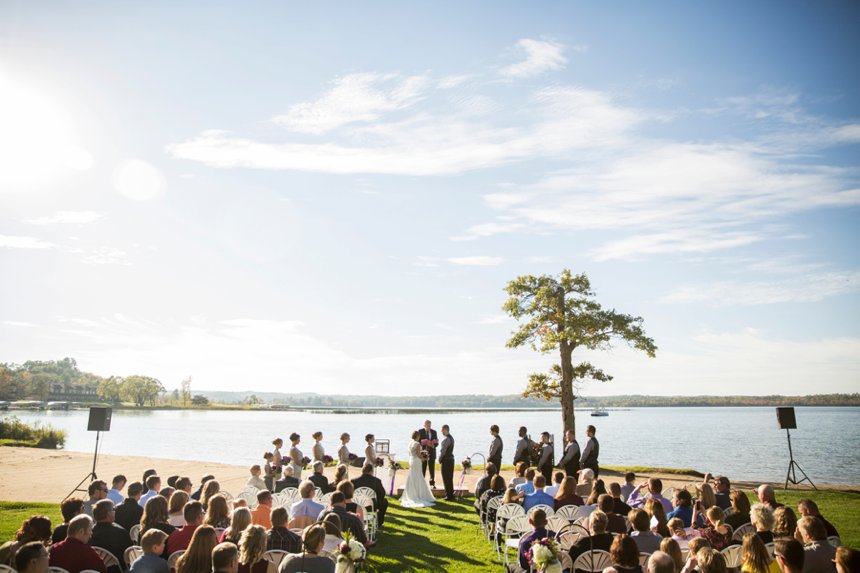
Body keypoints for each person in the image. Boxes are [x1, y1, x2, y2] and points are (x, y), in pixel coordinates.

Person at [91, 499, 132, 573]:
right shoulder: (120, 532)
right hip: (118, 570)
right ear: (108, 513)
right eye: (113, 509)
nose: (115, 511)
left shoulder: (90, 532)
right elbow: (130, 554)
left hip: (95, 569)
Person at [400, 430, 436, 508]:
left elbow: (410, 453)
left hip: (411, 460)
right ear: (417, 436)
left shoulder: (410, 443)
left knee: (412, 476)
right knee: (418, 476)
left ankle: (411, 493)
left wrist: (422, 454)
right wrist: (424, 458)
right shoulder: (417, 444)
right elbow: (418, 454)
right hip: (416, 461)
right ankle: (419, 494)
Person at [352, 462, 389, 526]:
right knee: (384, 502)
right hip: (371, 506)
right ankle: (379, 521)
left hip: (357, 506)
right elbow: (382, 494)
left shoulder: (354, 481)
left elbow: (350, 493)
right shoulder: (377, 481)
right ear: (371, 471)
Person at [417, 420, 439, 487]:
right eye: (427, 425)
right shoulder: (420, 431)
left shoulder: (434, 432)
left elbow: (437, 443)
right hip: (423, 453)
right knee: (423, 468)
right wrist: (424, 442)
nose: (428, 426)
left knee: (432, 469)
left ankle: (432, 483)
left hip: (432, 453)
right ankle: (422, 483)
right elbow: (417, 442)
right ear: (424, 425)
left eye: (429, 425)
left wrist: (433, 445)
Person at [439, 424, 456, 501]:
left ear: (445, 430)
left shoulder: (445, 440)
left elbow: (443, 451)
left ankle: (448, 495)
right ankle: (451, 494)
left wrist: (439, 459)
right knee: (450, 477)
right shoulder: (452, 438)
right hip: (451, 459)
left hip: (446, 460)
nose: (441, 432)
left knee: (446, 477)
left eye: (442, 430)